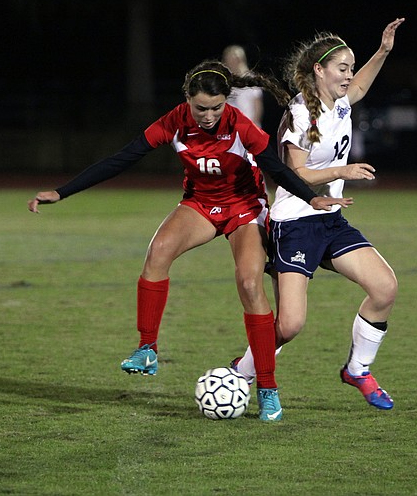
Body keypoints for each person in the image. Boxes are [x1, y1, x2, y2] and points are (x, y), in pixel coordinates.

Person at [28, 60, 353, 421]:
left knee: (248, 284)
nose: (209, 115)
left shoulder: (239, 124)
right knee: (158, 251)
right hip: (200, 205)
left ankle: (267, 388)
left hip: (245, 209)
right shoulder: (174, 122)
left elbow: (275, 168)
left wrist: (310, 198)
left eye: (216, 107)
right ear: (187, 100)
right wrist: (62, 192)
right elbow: (123, 158)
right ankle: (147, 348)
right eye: (201, 108)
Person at [231, 18, 405, 410]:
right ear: (319, 70)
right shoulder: (300, 114)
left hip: (329, 219)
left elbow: (360, 86)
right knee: (290, 325)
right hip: (295, 223)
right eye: (342, 68)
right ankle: (239, 374)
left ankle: (357, 369)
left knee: (385, 288)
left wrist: (383, 52)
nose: (348, 76)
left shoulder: (340, 102)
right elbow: (297, 172)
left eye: (350, 67)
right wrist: (343, 171)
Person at [222, 45, 264, 127]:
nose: (232, 63)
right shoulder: (223, 81)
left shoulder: (251, 79)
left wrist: (253, 125)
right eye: (229, 60)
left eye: (235, 60)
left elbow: (257, 105)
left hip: (249, 125)